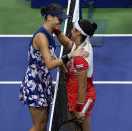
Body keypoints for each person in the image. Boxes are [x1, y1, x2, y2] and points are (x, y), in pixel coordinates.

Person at [19, 3, 89, 131]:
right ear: (49, 17)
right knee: (38, 127)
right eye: (59, 19)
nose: (61, 22)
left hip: (43, 80)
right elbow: (50, 64)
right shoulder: (41, 37)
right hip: (35, 83)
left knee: (43, 126)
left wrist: (62, 64)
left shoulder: (51, 32)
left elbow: (59, 48)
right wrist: (71, 55)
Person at [57, 19, 97, 131]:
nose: (71, 30)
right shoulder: (80, 43)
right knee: (72, 126)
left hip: (81, 97)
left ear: (78, 33)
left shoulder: (80, 58)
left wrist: (79, 108)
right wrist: (56, 31)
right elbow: (68, 43)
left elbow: (83, 86)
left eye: (73, 29)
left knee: (79, 127)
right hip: (74, 91)